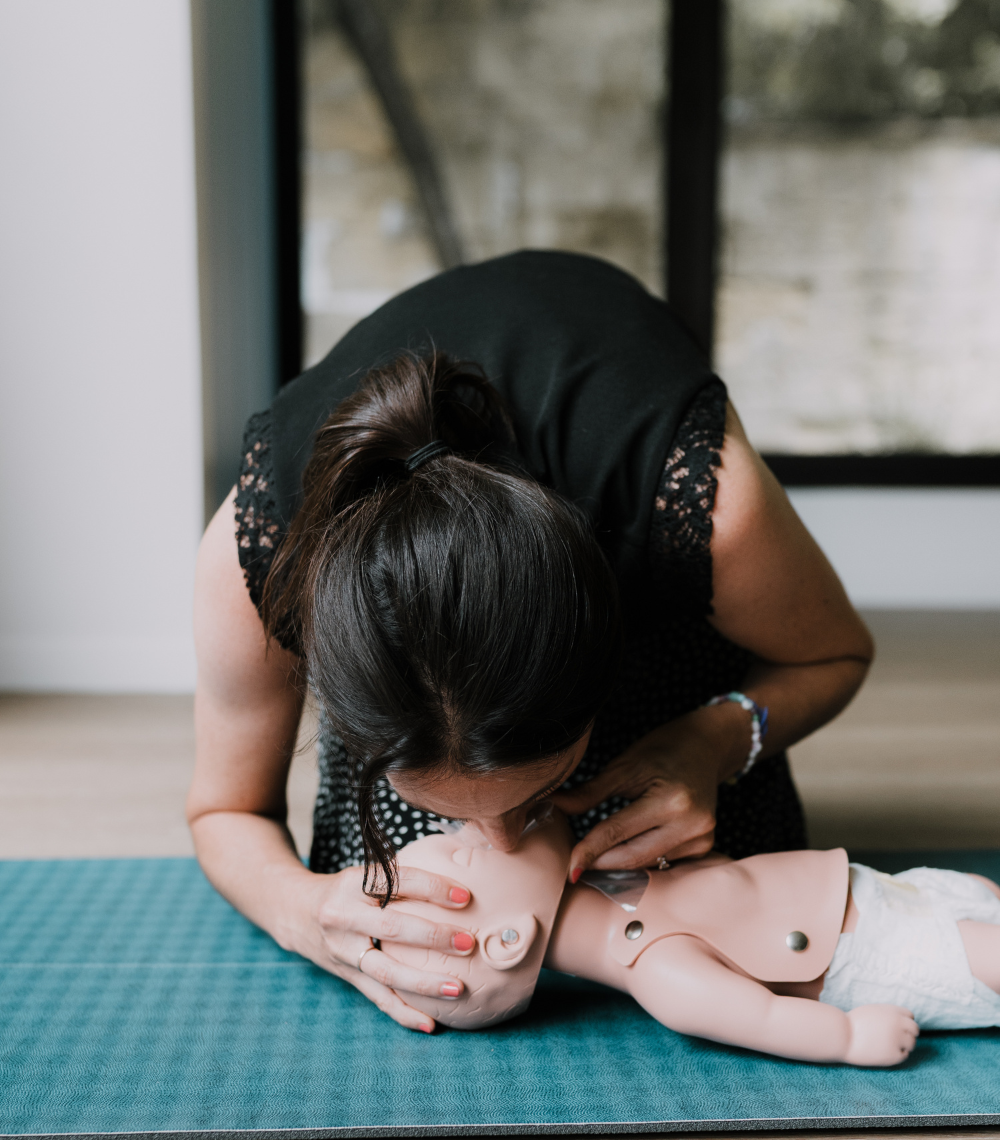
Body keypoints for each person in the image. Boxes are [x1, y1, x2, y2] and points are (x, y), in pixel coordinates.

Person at [187, 250, 874, 1033]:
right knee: (405, 903)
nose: (508, 837)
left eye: (534, 792)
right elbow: (224, 810)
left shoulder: (704, 504)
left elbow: (835, 653)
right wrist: (303, 911)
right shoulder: (260, 552)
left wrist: (713, 742)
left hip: (627, 528)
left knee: (722, 897)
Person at [385, 814, 1000, 1067]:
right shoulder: (659, 972)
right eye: (464, 846)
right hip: (870, 954)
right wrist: (848, 1037)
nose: (476, 821)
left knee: (980, 895)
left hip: (875, 892)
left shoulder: (615, 871)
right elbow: (761, 1015)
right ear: (508, 939)